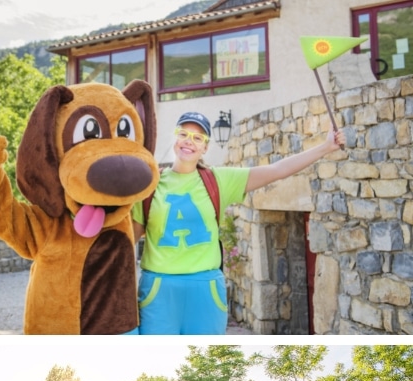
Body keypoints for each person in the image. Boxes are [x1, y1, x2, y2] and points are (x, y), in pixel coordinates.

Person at [133, 112, 346, 334]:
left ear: (205, 147)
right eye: (184, 134)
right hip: (159, 289)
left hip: (205, 289)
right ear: (175, 137)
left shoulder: (218, 180)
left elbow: (277, 171)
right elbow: (128, 237)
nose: (189, 141)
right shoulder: (150, 184)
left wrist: (325, 147)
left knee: (204, 363)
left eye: (198, 138)